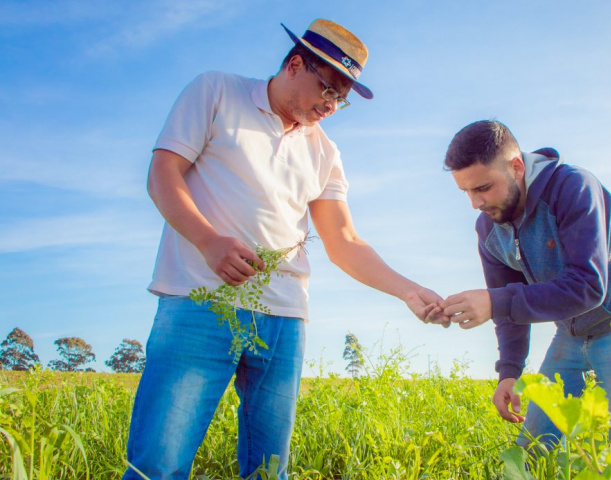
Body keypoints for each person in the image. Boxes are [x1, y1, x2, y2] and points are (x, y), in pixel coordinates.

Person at [124, 19, 447, 480]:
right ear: (295, 64)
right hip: (200, 304)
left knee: (268, 469)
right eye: (328, 89)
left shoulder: (325, 152)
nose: (332, 105)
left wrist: (408, 290)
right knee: (158, 463)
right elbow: (163, 175)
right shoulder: (216, 91)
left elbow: (345, 241)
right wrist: (208, 241)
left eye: (342, 99)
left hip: (283, 319)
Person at [438, 120, 611, 479]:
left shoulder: (573, 188)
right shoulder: (488, 228)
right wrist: (509, 371)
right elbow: (509, 307)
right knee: (530, 451)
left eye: (483, 188)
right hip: (571, 334)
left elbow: (588, 286)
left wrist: (495, 302)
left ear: (516, 167)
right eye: (466, 192)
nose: (475, 203)